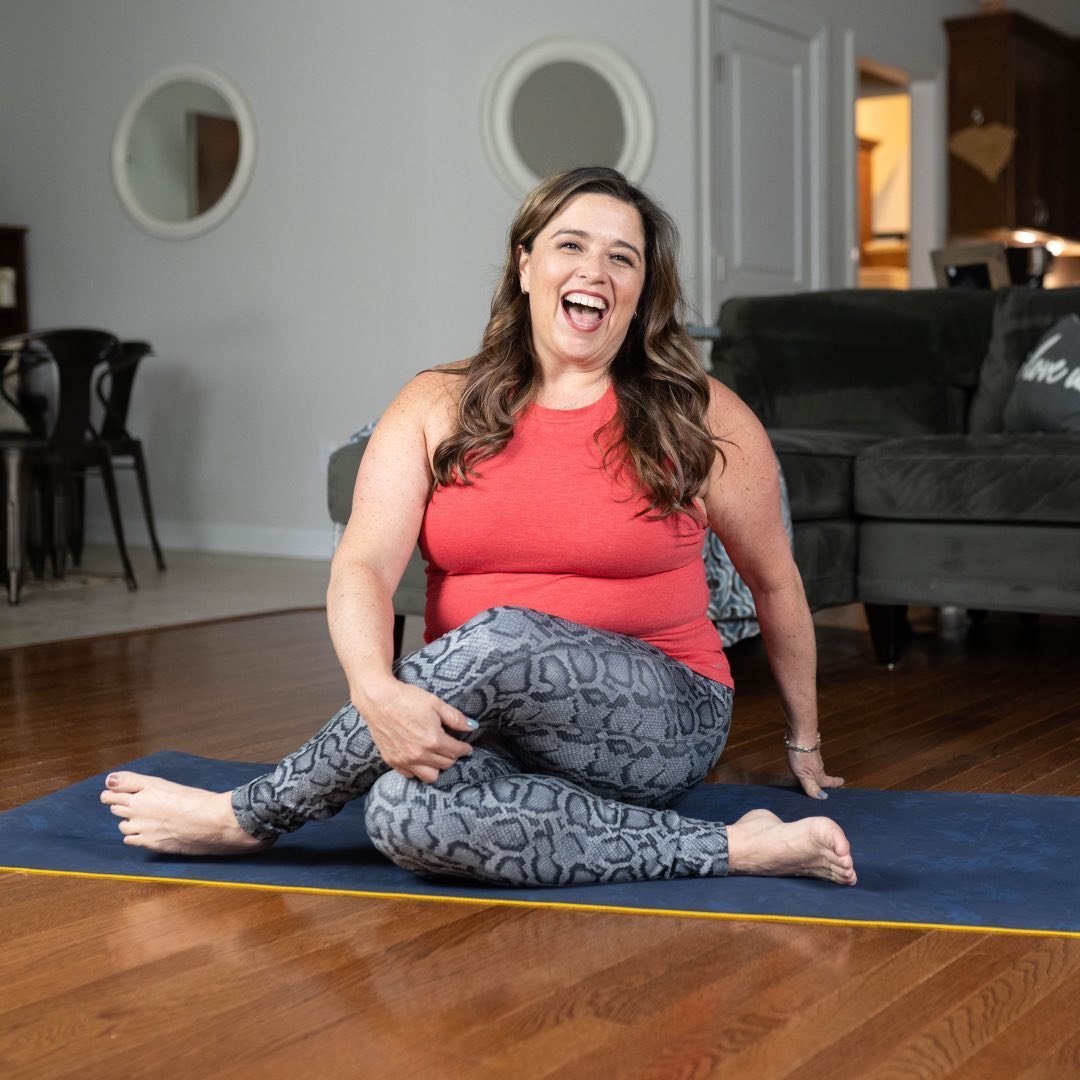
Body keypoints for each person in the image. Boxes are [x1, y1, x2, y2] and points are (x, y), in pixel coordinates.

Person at [101, 166, 856, 888]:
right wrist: (374, 689)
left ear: (641, 293)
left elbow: (774, 581)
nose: (595, 269)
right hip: (480, 725)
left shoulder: (702, 415)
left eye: (621, 258)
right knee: (401, 815)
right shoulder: (434, 404)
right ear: (525, 265)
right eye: (571, 245)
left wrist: (805, 740)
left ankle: (249, 817)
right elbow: (362, 564)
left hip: (660, 720)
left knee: (504, 636)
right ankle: (735, 847)